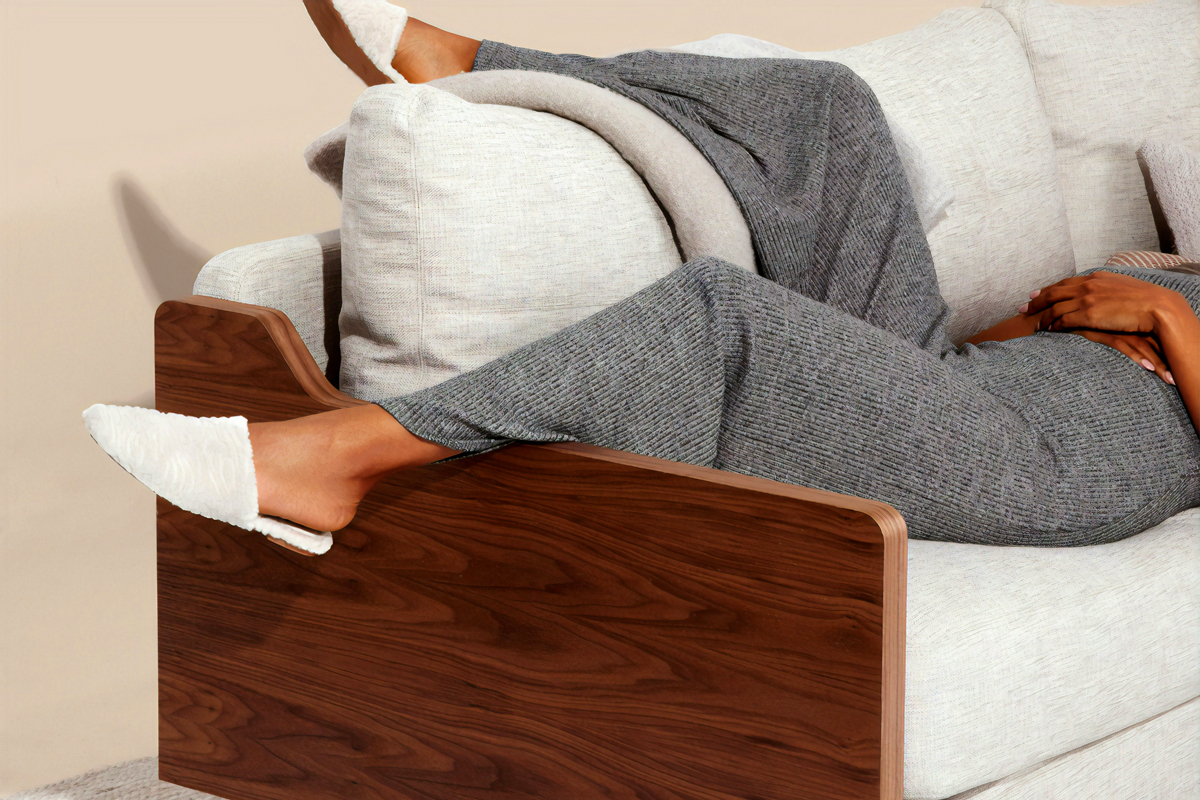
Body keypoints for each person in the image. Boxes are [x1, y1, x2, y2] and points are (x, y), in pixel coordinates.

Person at [83, 1, 1200, 555]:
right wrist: (1083, 316)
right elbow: (1000, 342)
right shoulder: (1169, 256)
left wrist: (1160, 325)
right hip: (980, 383)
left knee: (724, 319)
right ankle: (466, 57)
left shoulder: (1169, 295)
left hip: (1077, 463)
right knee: (831, 114)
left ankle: (339, 459)